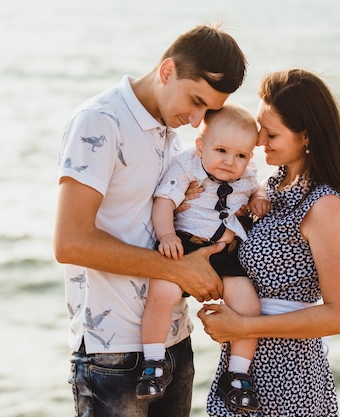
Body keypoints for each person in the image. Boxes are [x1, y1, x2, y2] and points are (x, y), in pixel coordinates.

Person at [53, 24, 248, 417]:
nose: (196, 120)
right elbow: (70, 242)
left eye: (206, 111)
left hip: (174, 342)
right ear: (167, 71)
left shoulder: (173, 136)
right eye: (194, 101)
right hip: (113, 352)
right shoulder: (100, 122)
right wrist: (181, 272)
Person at [197, 68, 340, 417]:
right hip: (241, 367)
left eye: (272, 134)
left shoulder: (323, 205)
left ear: (306, 136)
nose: (259, 141)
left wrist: (245, 326)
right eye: (261, 128)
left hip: (288, 378)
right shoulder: (270, 186)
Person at [137, 103, 270, 412]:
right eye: (221, 150)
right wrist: (167, 235)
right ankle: (153, 363)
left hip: (225, 253)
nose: (229, 162)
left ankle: (237, 375)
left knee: (249, 304)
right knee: (162, 293)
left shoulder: (248, 175)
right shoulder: (186, 166)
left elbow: (256, 190)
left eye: (240, 155)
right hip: (184, 245)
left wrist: (259, 199)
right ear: (201, 146)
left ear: (251, 157)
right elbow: (163, 202)